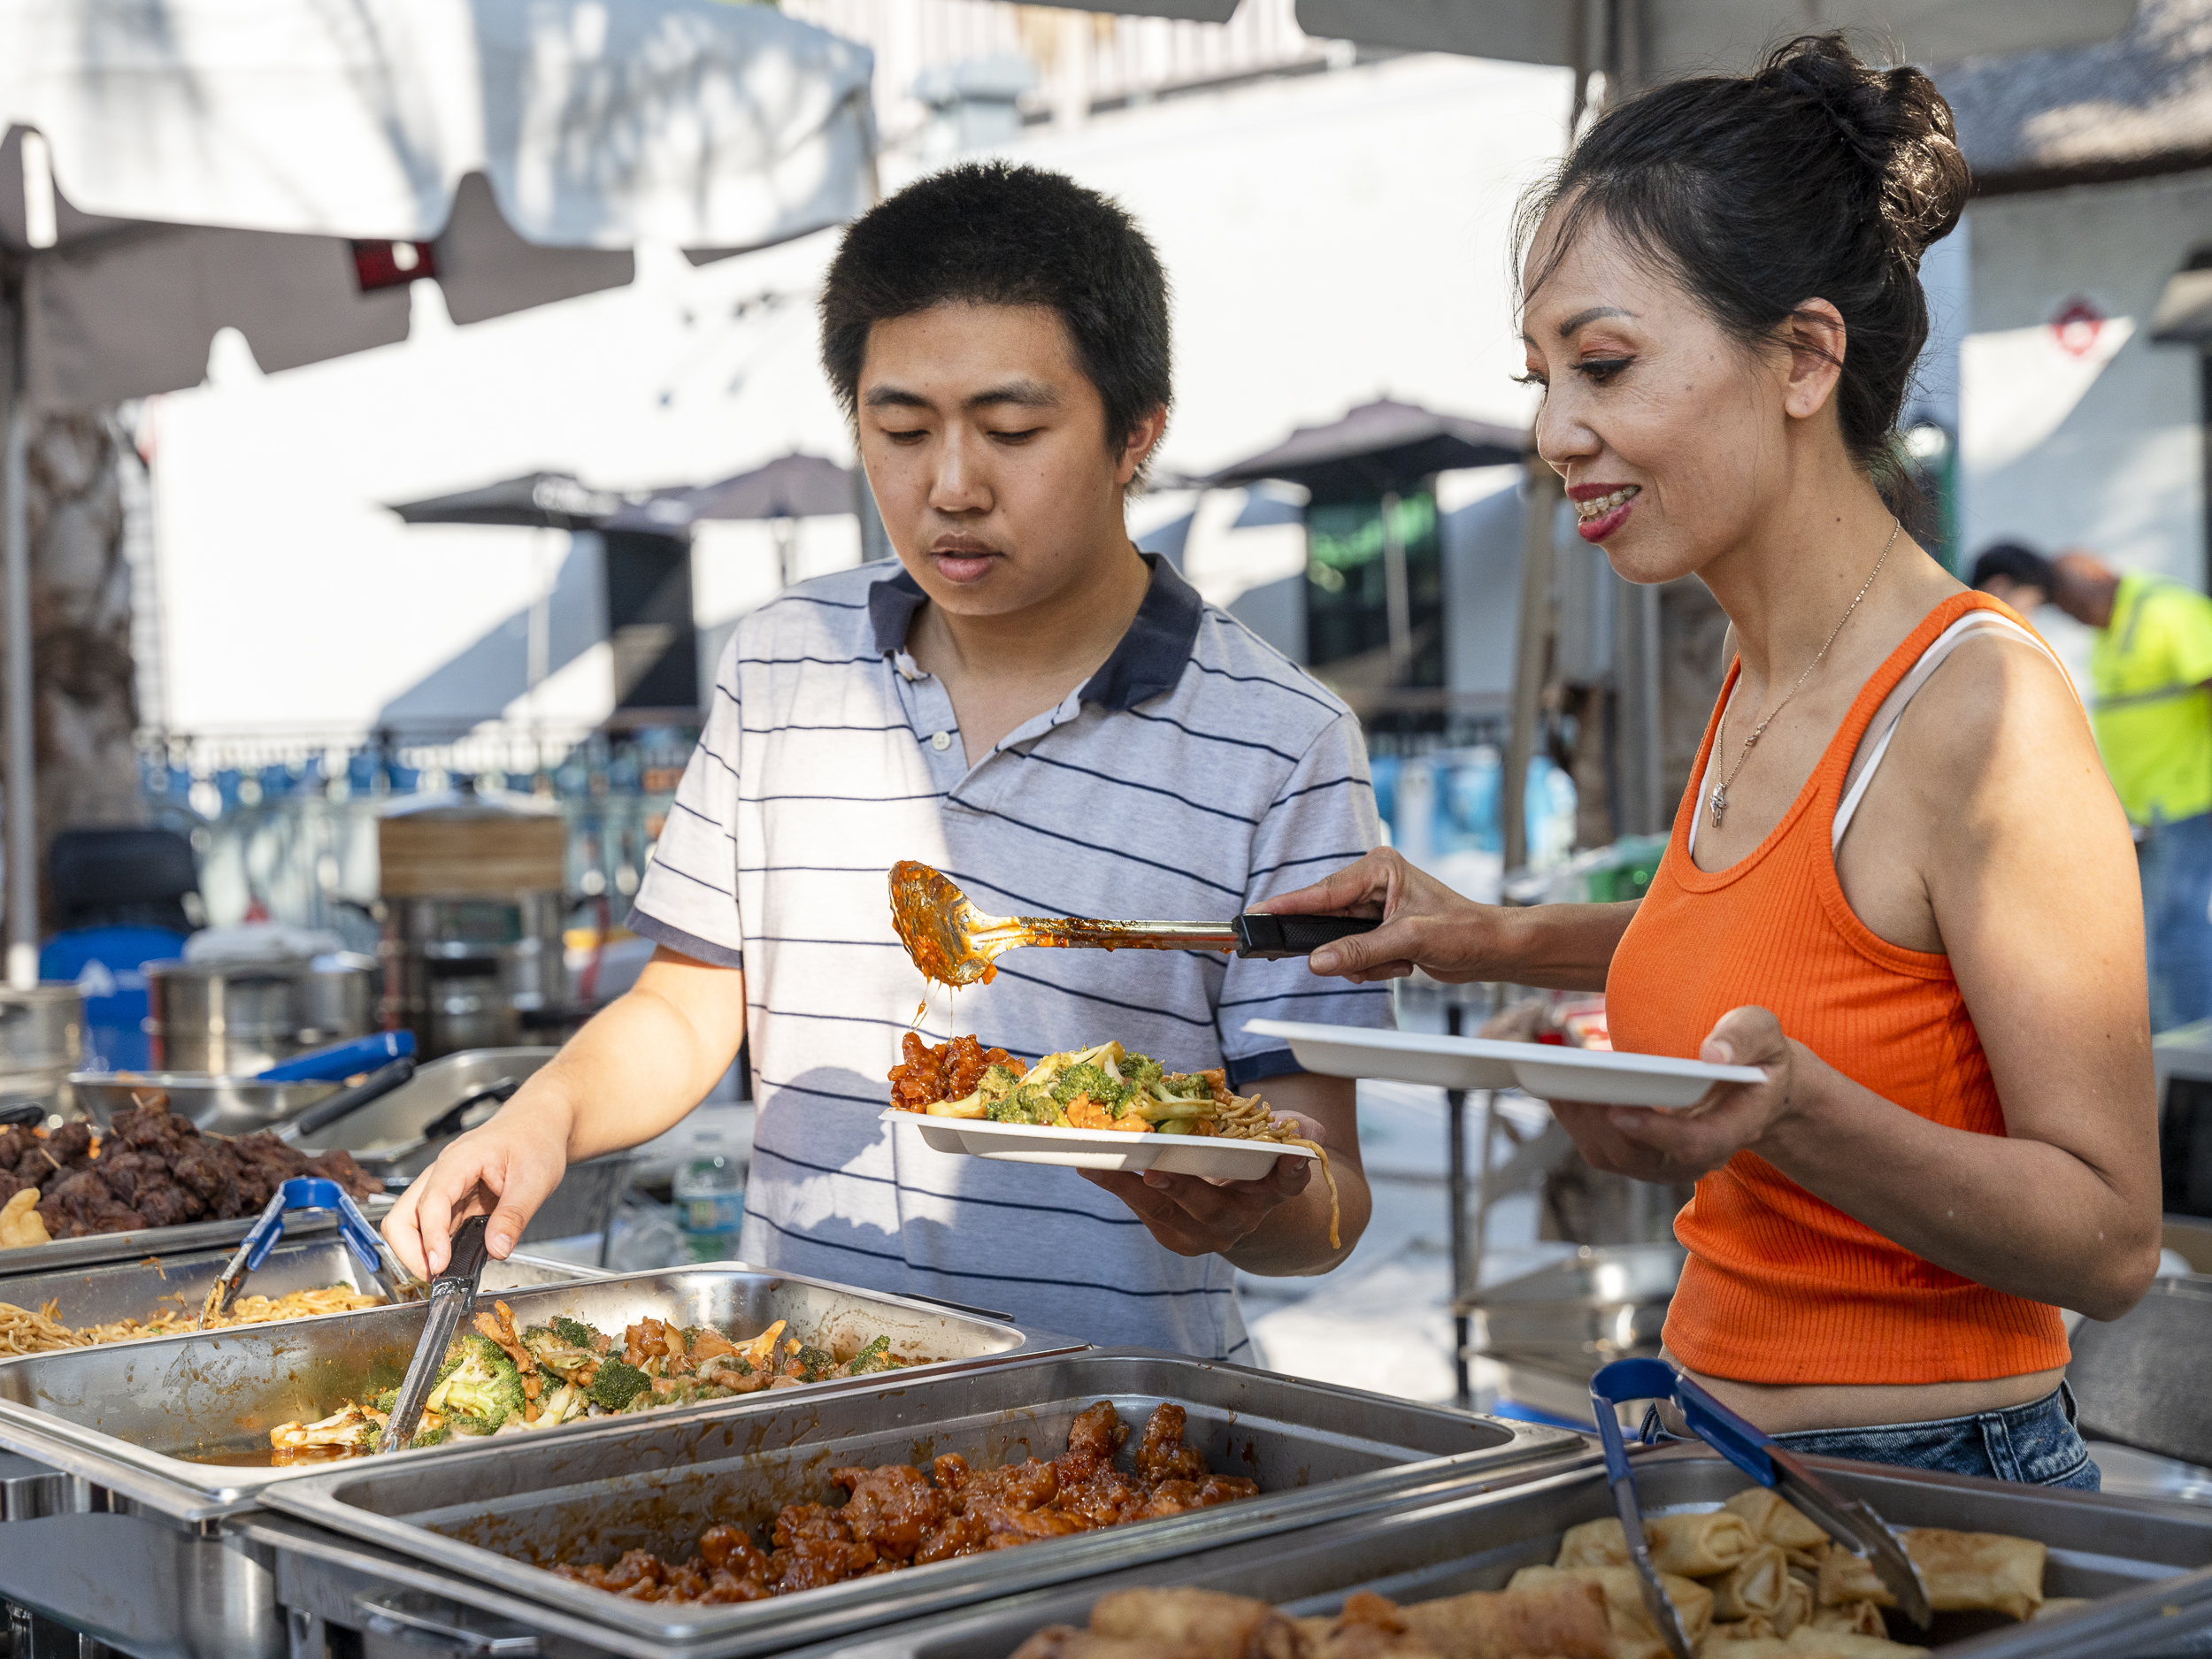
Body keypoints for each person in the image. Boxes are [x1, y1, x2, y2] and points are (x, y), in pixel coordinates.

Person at [1263, 35, 2159, 1486]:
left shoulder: (1980, 708)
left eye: (1604, 364)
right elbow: (1818, 950)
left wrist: (1794, 1116)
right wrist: (1483, 939)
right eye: (1542, 374)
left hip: (1936, 1488)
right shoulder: (1758, 663)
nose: (1556, 432)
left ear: (1804, 356)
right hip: (1712, 1446)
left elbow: (2111, 1239)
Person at [382, 161, 1383, 1362]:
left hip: (1115, 1433)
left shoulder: (1280, 739)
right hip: (803, 1395)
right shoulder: (785, 662)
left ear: (1136, 434)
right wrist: (542, 1115)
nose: (950, 486)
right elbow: (686, 1007)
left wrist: (1252, 1206)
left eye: (1012, 431)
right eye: (900, 430)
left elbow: (1327, 1183)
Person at [1972, 541, 2212, 1029]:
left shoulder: (2164, 612)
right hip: (2150, 810)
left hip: (2189, 801)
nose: (2068, 617)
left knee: (2176, 931)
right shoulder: (2111, 630)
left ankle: (2192, 1058)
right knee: (2157, 933)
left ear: (2091, 584)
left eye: (2064, 604)